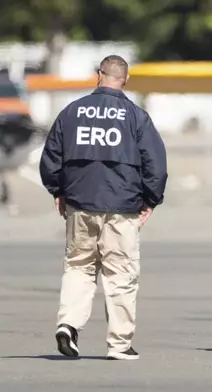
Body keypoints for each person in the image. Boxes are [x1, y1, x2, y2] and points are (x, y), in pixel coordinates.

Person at [39, 55, 168, 360]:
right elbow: (156, 166)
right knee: (120, 273)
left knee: (78, 266)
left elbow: (51, 158)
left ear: (99, 75)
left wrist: (59, 191)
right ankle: (119, 344)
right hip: (122, 206)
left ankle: (68, 325)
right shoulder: (137, 116)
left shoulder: (71, 112)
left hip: (80, 203)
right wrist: (150, 200)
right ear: (125, 79)